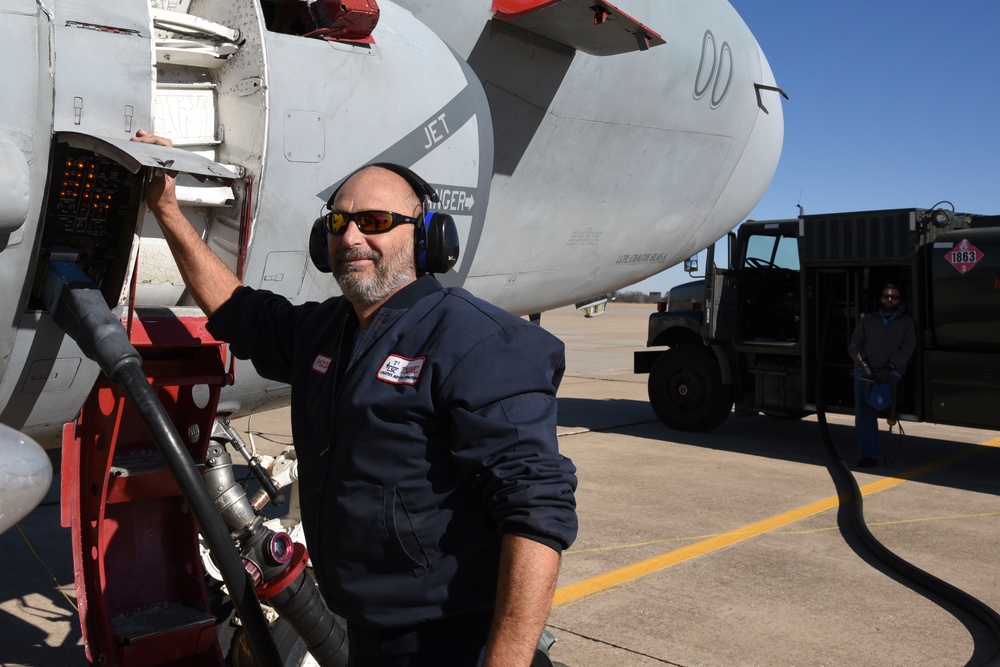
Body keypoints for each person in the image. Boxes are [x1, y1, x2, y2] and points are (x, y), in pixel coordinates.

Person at [132, 130, 578, 666]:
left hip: (455, 642)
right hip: (367, 634)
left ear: (428, 239)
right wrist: (168, 210)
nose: (351, 237)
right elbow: (237, 311)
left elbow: (535, 515)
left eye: (375, 222)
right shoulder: (325, 334)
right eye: (338, 223)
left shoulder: (478, 343)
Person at [848, 284, 916, 469]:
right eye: (886, 296)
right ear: (880, 299)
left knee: (878, 402)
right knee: (863, 413)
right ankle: (870, 454)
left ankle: (888, 405)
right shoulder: (868, 320)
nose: (890, 299)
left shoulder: (906, 322)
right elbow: (855, 345)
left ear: (900, 301)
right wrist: (864, 366)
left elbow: (908, 347)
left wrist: (889, 368)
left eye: (894, 297)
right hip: (865, 372)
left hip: (890, 373)